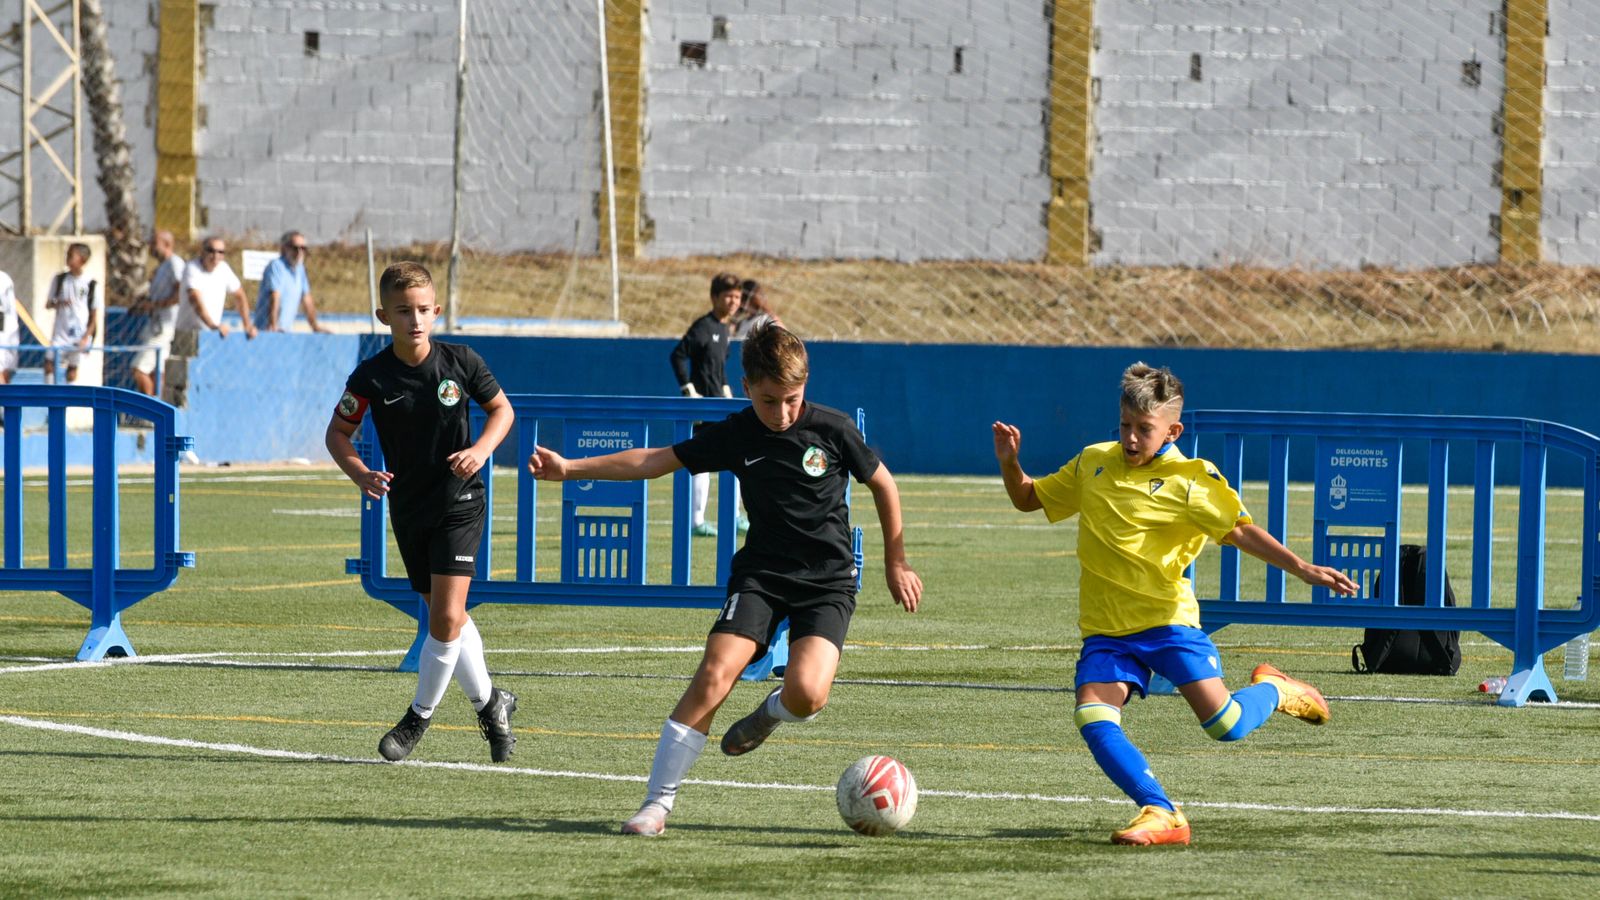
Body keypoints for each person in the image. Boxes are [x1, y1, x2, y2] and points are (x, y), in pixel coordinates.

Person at [529, 324, 923, 837]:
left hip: (827, 583)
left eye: (792, 400)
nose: (781, 413)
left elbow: (884, 484)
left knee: (807, 694)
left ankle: (771, 712)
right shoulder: (738, 432)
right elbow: (654, 460)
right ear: (746, 386)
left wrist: (897, 561)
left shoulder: (833, 428)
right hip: (761, 576)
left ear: (805, 386)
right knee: (715, 672)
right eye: (768, 400)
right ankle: (656, 804)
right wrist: (570, 467)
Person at [991, 362, 1358, 847]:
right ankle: (1161, 811)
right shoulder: (1092, 462)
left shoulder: (1192, 479)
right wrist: (1010, 461)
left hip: (1168, 624)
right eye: (1125, 424)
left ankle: (1273, 689)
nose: (1130, 438)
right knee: (1093, 716)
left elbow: (1241, 531)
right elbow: (1028, 498)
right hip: (1106, 630)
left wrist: (1302, 567)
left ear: (1173, 431)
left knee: (1226, 725)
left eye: (1144, 429)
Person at [325, 261, 519, 763]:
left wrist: (480, 450)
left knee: (447, 615)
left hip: (460, 501)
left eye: (423, 310)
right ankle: (491, 703)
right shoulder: (370, 376)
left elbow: (502, 410)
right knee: (446, 616)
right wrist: (360, 473)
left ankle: (417, 718)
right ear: (383, 316)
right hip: (409, 507)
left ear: (437, 311)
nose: (414, 320)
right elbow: (337, 434)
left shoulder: (461, 361)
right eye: (403, 311)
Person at [670, 272, 743, 537]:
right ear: (714, 297)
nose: (734, 301)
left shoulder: (725, 329)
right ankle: (696, 521)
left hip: (720, 406)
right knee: (702, 460)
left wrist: (726, 391)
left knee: (736, 456)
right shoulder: (703, 327)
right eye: (728, 296)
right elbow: (678, 356)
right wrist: (688, 390)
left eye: (737, 296)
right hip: (704, 408)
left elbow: (719, 370)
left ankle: (735, 517)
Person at [175, 236, 256, 353]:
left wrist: (247, 325)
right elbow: (195, 299)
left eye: (220, 252)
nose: (215, 255)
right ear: (202, 252)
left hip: (212, 335)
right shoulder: (192, 268)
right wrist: (212, 325)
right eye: (211, 251)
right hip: (188, 333)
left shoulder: (224, 269)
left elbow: (239, 295)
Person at [130, 230, 186, 397]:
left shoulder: (174, 263)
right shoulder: (161, 267)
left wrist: (154, 305)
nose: (151, 247)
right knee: (156, 372)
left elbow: (180, 294)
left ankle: (149, 407)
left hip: (164, 327)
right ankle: (157, 404)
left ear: (167, 245)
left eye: (154, 243)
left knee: (138, 369)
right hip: (155, 325)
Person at [253, 230, 329, 334]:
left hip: (285, 331)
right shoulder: (277, 266)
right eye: (295, 248)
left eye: (303, 248)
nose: (299, 252)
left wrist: (315, 327)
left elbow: (307, 299)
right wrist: (273, 325)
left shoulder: (300, 269)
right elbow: (275, 296)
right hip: (266, 331)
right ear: (284, 249)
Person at [43, 243, 97, 383]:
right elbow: (48, 304)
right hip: (60, 334)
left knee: (72, 370)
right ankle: (49, 392)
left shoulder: (90, 283)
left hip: (78, 334)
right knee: (49, 364)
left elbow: (94, 316)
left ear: (82, 259)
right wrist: (59, 303)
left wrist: (86, 337)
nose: (67, 257)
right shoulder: (60, 279)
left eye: (71, 255)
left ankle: (68, 394)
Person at [0, 267, 17, 384]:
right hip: (10, 328)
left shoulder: (4, 278)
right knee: (5, 370)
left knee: (3, 370)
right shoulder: (5, 277)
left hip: (5, 327)